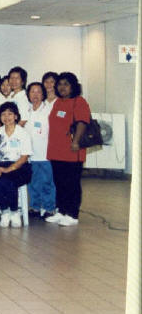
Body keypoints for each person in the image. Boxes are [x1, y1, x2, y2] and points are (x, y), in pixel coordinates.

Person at [45, 72, 91, 227]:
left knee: (71, 183)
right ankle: (61, 211)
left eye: (66, 84)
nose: (62, 87)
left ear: (73, 86)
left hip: (72, 150)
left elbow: (82, 122)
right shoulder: (58, 102)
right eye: (59, 84)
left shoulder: (79, 101)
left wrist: (76, 142)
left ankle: (72, 214)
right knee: (59, 182)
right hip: (56, 150)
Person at [0, 101, 33, 228]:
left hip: (21, 167)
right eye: (3, 114)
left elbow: (24, 157)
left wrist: (9, 169)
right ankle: (5, 210)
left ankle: (14, 211)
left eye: (10, 114)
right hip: (1, 164)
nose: (6, 117)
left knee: (9, 180)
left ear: (16, 116)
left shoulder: (23, 133)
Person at [24, 82, 56, 219]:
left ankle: (49, 208)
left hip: (45, 154)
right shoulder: (26, 111)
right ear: (28, 94)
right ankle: (35, 207)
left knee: (47, 182)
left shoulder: (49, 111)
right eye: (32, 91)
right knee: (33, 183)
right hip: (30, 155)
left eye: (38, 92)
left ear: (43, 94)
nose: (35, 95)